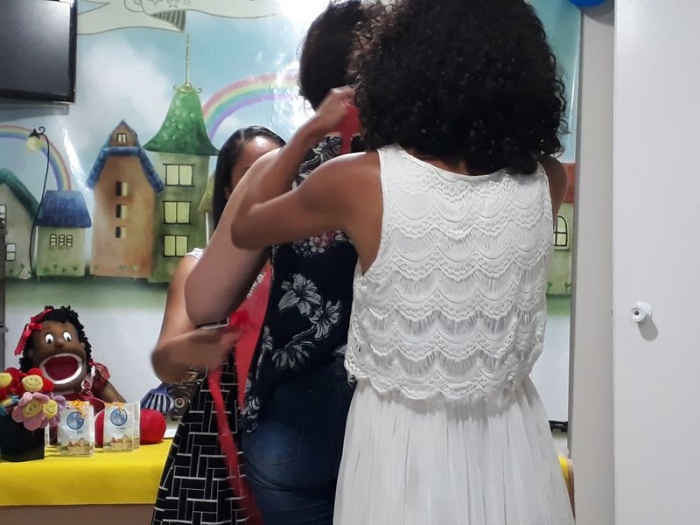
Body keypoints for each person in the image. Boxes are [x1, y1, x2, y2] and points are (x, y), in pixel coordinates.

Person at [227, 0, 575, 523]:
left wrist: (306, 134)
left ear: (401, 68)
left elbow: (245, 226)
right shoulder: (547, 178)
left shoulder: (359, 180)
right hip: (511, 440)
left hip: (399, 446)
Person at [184, 2, 371, 524]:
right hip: (391, 421)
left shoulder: (279, 168)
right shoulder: (421, 165)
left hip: (290, 427)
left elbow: (204, 300)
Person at [150, 126, 285, 525]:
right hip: (212, 446)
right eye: (253, 172)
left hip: (290, 437)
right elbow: (166, 365)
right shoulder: (198, 267)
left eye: (281, 168)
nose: (270, 181)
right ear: (228, 188)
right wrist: (192, 347)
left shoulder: (308, 265)